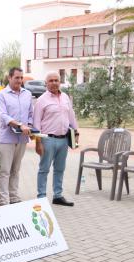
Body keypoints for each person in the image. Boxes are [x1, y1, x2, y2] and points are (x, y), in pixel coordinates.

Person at [34, 71, 79, 206]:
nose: (54, 83)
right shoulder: (41, 100)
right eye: (51, 80)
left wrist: (76, 132)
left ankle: (57, 196)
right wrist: (38, 143)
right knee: (44, 169)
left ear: (60, 82)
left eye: (56, 80)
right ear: (46, 83)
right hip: (48, 139)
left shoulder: (65, 97)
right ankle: (41, 197)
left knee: (60, 168)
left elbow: (71, 116)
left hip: (64, 140)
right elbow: (36, 123)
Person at [0, 67, 33, 206]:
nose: (20, 80)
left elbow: (30, 113)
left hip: (22, 138)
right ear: (9, 78)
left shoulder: (27, 94)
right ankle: (3, 201)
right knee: (5, 170)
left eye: (21, 78)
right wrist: (19, 125)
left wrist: (29, 125)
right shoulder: (2, 95)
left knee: (16, 169)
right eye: (17, 77)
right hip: (7, 138)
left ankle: (14, 197)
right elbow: (3, 115)